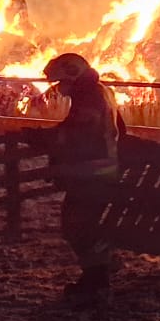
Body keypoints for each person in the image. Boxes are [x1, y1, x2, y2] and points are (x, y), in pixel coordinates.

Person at [42, 52, 125, 303]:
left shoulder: (88, 98)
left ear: (73, 75)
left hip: (93, 174)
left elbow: (76, 133)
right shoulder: (100, 91)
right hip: (103, 170)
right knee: (82, 223)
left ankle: (97, 281)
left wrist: (43, 138)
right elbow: (121, 130)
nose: (58, 88)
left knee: (77, 224)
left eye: (60, 82)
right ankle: (103, 266)